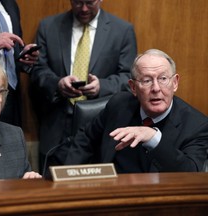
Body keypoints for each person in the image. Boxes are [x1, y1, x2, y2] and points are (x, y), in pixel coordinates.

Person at [30, 0, 137, 171]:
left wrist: (101, 86)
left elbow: (129, 77)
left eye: (89, 2)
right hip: (57, 128)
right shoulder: (48, 27)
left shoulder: (122, 30)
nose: (84, 8)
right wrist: (58, 84)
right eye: (78, 3)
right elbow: (37, 70)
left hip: (101, 126)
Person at [65, 49, 208, 173]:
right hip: (111, 194)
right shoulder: (119, 105)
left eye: (163, 79)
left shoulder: (196, 125)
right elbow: (85, 140)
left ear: (175, 83)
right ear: (133, 87)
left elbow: (191, 172)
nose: (156, 88)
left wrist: (154, 139)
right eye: (146, 80)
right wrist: (61, 176)